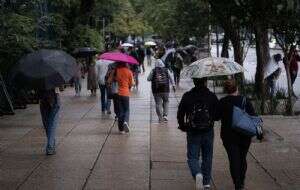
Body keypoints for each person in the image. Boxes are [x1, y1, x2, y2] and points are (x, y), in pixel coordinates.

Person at [177, 78, 219, 190]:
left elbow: (180, 113)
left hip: (193, 131)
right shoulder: (211, 96)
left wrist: (182, 126)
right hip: (208, 131)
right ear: (205, 82)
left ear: (194, 82)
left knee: (192, 157)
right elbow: (217, 115)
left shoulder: (187, 95)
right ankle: (206, 182)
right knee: (207, 156)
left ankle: (197, 173)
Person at [219, 79, 261, 190]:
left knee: (233, 159)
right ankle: (241, 181)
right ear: (237, 88)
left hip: (228, 136)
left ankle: (237, 183)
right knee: (242, 158)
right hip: (244, 135)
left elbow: (216, 117)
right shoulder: (245, 100)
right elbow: (254, 117)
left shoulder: (222, 101)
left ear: (225, 89)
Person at [147, 53, 175, 122]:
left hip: (156, 90)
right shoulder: (166, 70)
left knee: (158, 103)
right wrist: (173, 85)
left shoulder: (153, 71)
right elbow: (171, 78)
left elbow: (148, 79)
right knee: (166, 101)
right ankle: (165, 115)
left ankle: (160, 117)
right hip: (166, 89)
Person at [38, 88, 60, 155]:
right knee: (52, 124)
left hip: (43, 100)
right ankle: (50, 147)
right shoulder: (53, 78)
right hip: (53, 98)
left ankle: (51, 145)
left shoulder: (38, 79)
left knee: (47, 125)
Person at [115, 62, 134, 133]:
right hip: (126, 93)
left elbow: (115, 79)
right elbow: (132, 83)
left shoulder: (117, 70)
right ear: (126, 64)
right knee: (127, 109)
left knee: (120, 111)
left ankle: (121, 129)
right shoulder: (129, 71)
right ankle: (126, 121)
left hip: (118, 93)